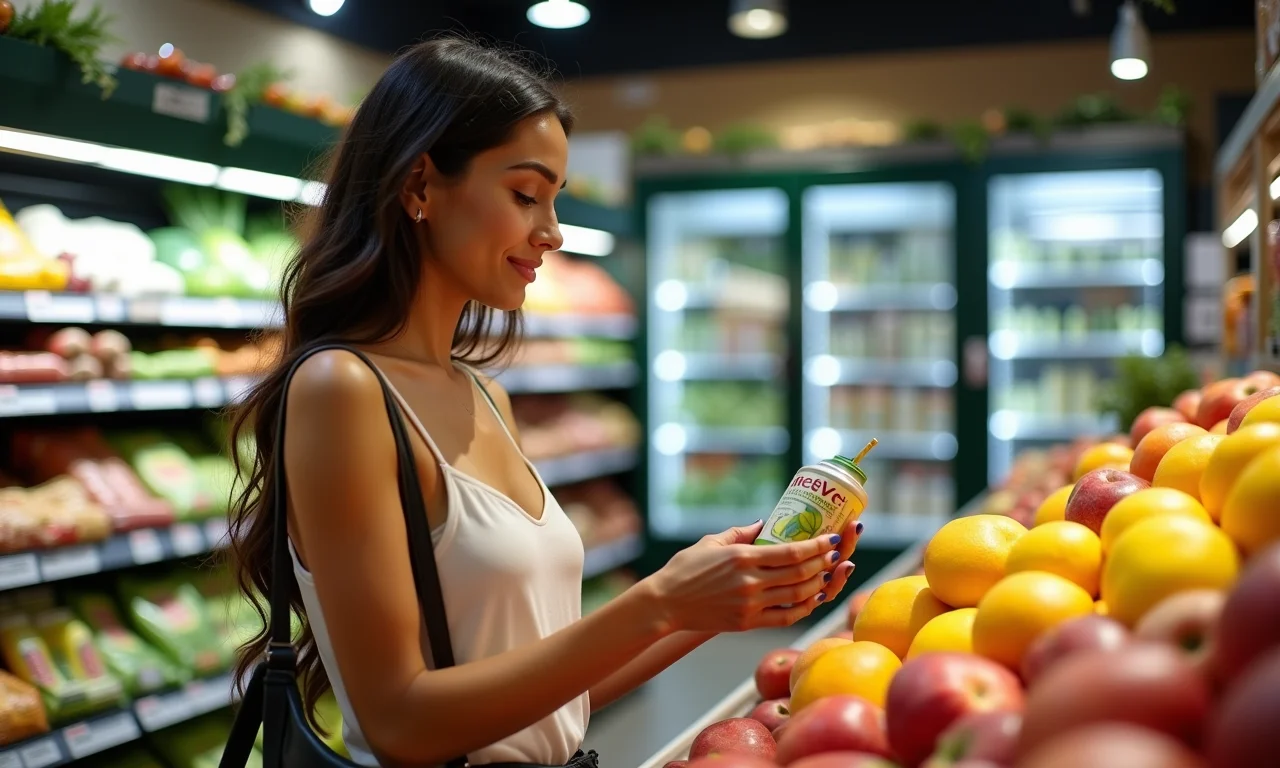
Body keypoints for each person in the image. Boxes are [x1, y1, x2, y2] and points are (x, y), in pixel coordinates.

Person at [226, 36, 862, 768]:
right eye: (526, 194)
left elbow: (553, 693)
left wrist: (727, 604)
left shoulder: (484, 394)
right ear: (420, 186)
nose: (552, 232)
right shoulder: (343, 389)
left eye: (553, 200)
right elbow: (399, 720)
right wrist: (657, 600)